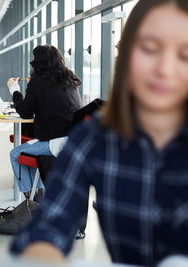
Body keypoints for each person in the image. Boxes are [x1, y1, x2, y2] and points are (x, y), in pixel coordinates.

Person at [10, 0, 188, 266]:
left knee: (17, 152)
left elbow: (25, 112)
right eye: (149, 49)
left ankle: (27, 197)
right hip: (61, 141)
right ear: (126, 56)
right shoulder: (94, 139)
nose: (165, 68)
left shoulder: (40, 85)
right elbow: (49, 226)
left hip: (51, 141)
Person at [7, 44, 82, 201]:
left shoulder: (38, 82)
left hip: (56, 143)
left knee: (15, 154)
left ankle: (30, 201)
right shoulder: (70, 79)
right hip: (75, 141)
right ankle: (37, 193)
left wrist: (14, 89)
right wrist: (32, 85)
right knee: (32, 150)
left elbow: (24, 112)